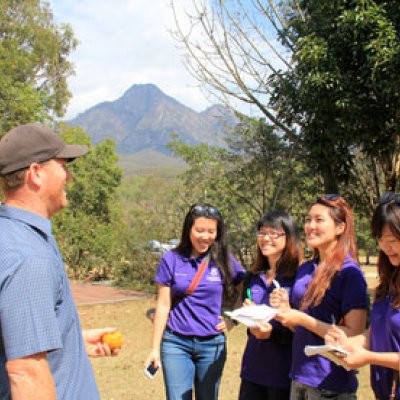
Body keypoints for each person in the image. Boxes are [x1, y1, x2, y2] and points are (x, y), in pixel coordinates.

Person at [0, 123, 118, 400]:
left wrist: (70, 342)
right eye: (63, 165)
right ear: (36, 174)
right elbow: (26, 372)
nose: (70, 175)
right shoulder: (27, 256)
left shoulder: (16, 235)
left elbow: (15, 335)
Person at [270, 194, 369, 399]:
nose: (310, 226)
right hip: (299, 377)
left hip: (331, 384)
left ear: (340, 228)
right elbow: (299, 326)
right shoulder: (306, 269)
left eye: (319, 220)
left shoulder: (349, 273)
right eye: (308, 220)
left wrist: (301, 318)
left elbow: (354, 333)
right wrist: (287, 313)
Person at [146, 203, 244, 400]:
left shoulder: (224, 259)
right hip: (175, 343)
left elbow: (248, 290)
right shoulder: (171, 259)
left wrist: (233, 320)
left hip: (212, 345)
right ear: (188, 229)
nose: (205, 237)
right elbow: (163, 305)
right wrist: (155, 348)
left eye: (211, 231)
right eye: (199, 230)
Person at [325, 191, 400, 400]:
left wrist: (368, 357)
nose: (386, 247)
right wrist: (349, 343)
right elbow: (378, 331)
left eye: (393, 239)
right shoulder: (388, 285)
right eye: (381, 239)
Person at [239, 211, 303, 400]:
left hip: (283, 373)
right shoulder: (253, 277)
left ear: (289, 237)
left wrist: (273, 333)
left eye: (274, 233)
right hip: (252, 369)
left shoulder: (299, 277)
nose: (266, 238)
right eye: (262, 233)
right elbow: (251, 328)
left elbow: (305, 329)